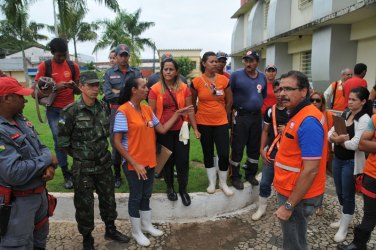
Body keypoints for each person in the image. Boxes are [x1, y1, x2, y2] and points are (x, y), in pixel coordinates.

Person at [113, 77, 192, 246]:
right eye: (143, 86)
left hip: (149, 162)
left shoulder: (147, 109)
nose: (147, 89)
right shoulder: (123, 111)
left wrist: (177, 114)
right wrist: (134, 163)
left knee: (146, 195)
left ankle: (146, 225)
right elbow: (117, 142)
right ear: (134, 90)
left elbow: (162, 129)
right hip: (135, 164)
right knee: (136, 197)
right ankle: (136, 231)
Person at [58, 71, 130, 250]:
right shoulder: (70, 112)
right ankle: (87, 238)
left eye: (97, 85)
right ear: (81, 86)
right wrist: (82, 155)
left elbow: (107, 135)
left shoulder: (103, 107)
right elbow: (63, 143)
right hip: (83, 167)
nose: (95, 88)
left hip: (104, 164)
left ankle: (110, 229)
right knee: (84, 205)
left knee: (108, 199)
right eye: (90, 85)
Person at [0, 77, 57, 249]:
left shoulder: (20, 120)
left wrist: (48, 165)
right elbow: (13, 173)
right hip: (18, 204)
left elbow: (41, 147)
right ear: (6, 98)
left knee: (39, 241)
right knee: (19, 245)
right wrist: (47, 160)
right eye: (19, 96)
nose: (25, 100)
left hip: (38, 197)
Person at [273, 70, 328, 250]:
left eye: (288, 89)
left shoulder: (308, 121)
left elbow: (311, 169)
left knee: (294, 243)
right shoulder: (298, 113)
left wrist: (289, 205)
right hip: (291, 189)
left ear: (304, 91)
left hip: (297, 196)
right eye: (280, 89)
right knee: (294, 238)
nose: (282, 93)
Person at [148, 57, 200, 206]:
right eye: (166, 69)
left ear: (176, 71)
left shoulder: (184, 88)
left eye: (171, 69)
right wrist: (151, 132)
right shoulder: (155, 89)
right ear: (162, 71)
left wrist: (195, 128)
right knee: (167, 161)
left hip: (181, 129)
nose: (168, 72)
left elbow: (190, 110)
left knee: (182, 161)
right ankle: (170, 187)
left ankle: (183, 190)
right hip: (163, 130)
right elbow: (150, 113)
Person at [34, 37, 80, 189]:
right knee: (60, 142)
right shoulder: (45, 67)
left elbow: (80, 90)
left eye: (64, 55)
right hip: (54, 110)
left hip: (71, 109)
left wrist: (73, 86)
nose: (62, 58)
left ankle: (77, 169)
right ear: (52, 53)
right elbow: (36, 93)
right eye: (59, 55)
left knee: (76, 139)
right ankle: (66, 173)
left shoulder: (73, 66)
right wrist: (55, 87)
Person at [328, 86, 371, 242]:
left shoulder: (364, 119)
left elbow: (355, 144)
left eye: (354, 100)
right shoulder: (345, 113)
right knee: (339, 192)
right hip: (338, 159)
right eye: (349, 99)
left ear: (363, 101)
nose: (350, 102)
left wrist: (337, 140)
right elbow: (330, 133)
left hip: (351, 162)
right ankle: (344, 219)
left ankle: (344, 228)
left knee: (348, 195)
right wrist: (337, 139)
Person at [191, 51, 234, 196]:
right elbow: (192, 104)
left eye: (216, 61)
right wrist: (197, 119)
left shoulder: (223, 80)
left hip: (221, 122)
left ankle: (223, 182)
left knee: (223, 153)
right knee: (208, 152)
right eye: (212, 61)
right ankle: (211, 182)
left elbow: (230, 101)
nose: (215, 64)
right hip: (203, 122)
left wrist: (224, 114)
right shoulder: (196, 82)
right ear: (204, 63)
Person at [103, 44, 142, 188]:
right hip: (116, 111)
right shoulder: (109, 73)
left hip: (133, 111)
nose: (124, 58)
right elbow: (108, 95)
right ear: (117, 56)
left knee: (135, 140)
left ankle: (134, 170)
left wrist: (118, 91)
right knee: (116, 143)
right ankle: (117, 175)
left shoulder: (136, 73)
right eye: (121, 55)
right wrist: (127, 93)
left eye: (126, 55)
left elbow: (140, 92)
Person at [338, 106, 376, 249]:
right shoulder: (375, 118)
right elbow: (362, 144)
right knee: (369, 214)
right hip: (373, 175)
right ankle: (358, 245)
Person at [229, 50, 267, 190]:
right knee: (237, 146)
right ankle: (235, 176)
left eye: (251, 60)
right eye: (246, 60)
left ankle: (250, 173)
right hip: (241, 116)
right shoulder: (236, 75)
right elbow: (229, 94)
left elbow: (262, 94)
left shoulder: (262, 77)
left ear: (257, 62)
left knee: (254, 147)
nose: (248, 63)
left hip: (256, 117)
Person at [251, 80, 288, 221]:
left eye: (283, 90)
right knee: (265, 182)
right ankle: (262, 208)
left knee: (286, 183)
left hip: (288, 155)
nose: (280, 94)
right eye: (277, 91)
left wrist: (287, 129)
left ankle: (287, 208)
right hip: (271, 153)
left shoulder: (293, 111)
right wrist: (261, 149)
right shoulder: (270, 110)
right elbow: (265, 131)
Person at [310, 91, 334, 216]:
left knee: (319, 179)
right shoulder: (306, 113)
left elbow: (330, 134)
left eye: (317, 100)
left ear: (322, 102)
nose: (314, 102)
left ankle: (318, 205)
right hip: (308, 152)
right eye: (312, 100)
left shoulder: (327, 115)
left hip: (323, 152)